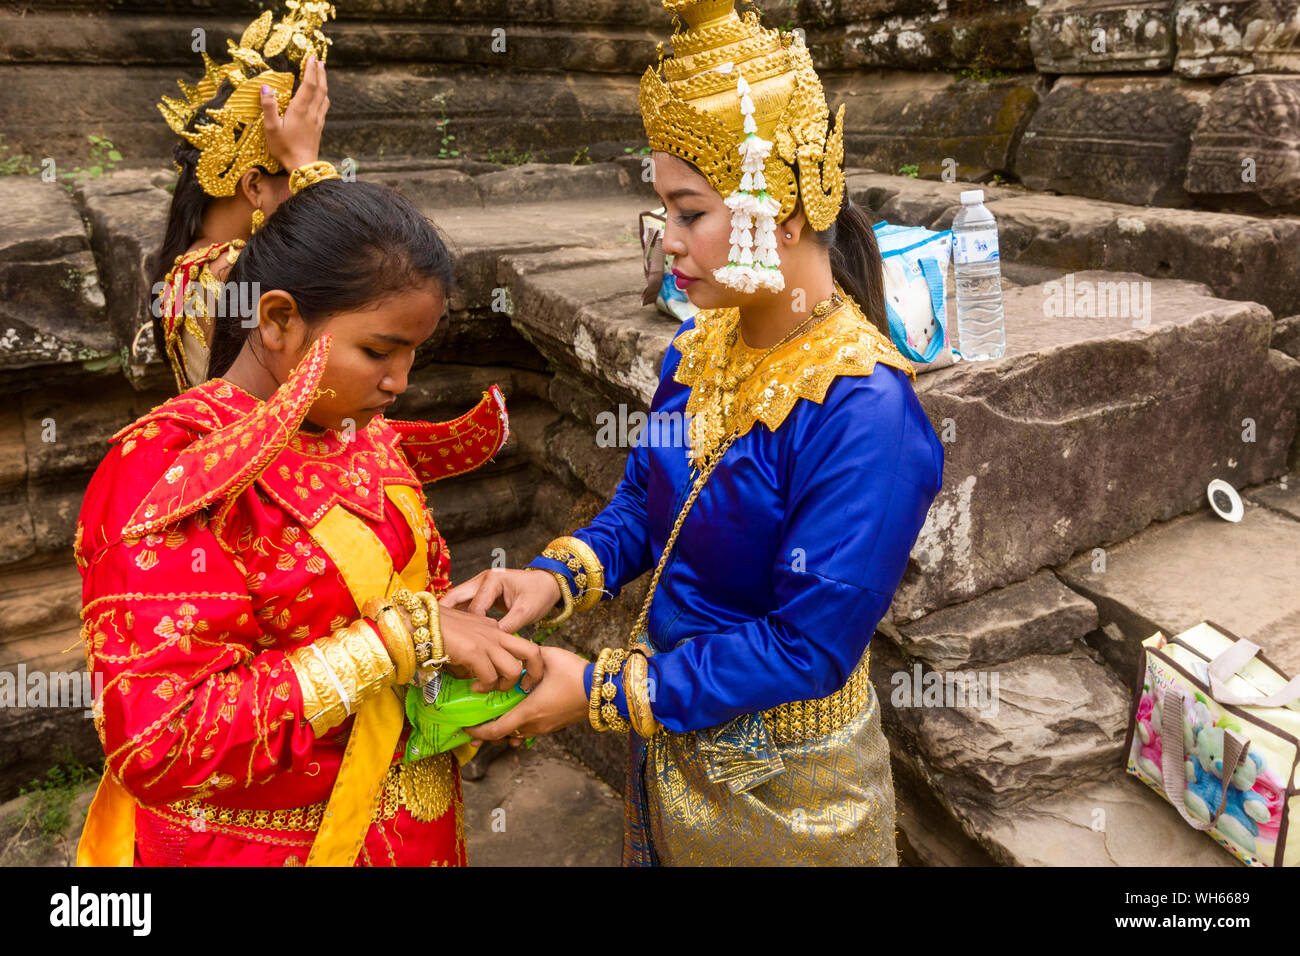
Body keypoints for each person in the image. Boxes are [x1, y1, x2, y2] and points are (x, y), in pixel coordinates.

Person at [443, 0, 946, 865]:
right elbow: (646, 505)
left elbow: (807, 646)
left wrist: (601, 691)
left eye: (690, 213)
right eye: (664, 213)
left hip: (788, 789)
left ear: (782, 211)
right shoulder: (701, 342)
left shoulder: (869, 416)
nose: (666, 244)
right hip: (669, 725)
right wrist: (551, 581)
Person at [76, 179, 534, 867]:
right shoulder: (165, 471)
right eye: (378, 353)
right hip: (259, 846)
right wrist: (397, 640)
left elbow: (407, 604)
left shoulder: (362, 434)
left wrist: (459, 635)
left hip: (412, 828)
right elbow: (161, 741)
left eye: (413, 354)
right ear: (279, 320)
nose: (399, 383)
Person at [147, 0, 338, 393]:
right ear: (253, 186)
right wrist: (308, 163)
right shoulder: (231, 271)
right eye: (293, 177)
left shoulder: (191, 263)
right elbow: (352, 278)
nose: (299, 192)